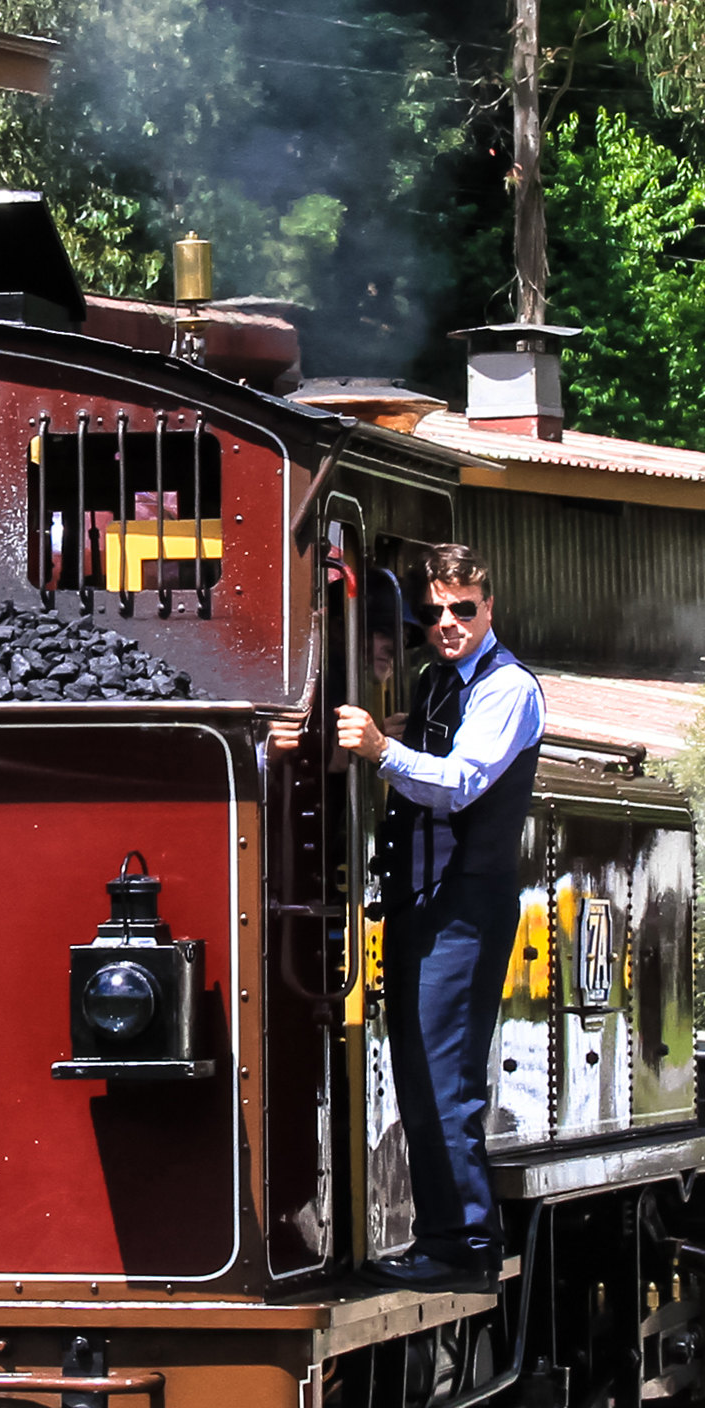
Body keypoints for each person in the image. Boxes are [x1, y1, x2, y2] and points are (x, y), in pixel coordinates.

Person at [271, 541, 542, 1287]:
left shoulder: (507, 688)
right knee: (419, 1075)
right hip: (421, 902)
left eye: (463, 609)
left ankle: (466, 1246)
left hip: (464, 904)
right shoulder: (434, 683)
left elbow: (459, 783)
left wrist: (383, 747)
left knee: (445, 1080)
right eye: (434, 612)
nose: (447, 622)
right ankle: (445, 1237)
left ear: (489, 608)